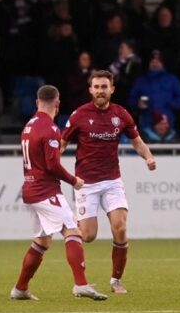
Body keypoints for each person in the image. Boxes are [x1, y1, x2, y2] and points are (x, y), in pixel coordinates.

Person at [61, 70, 156, 294]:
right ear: (90, 90)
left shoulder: (121, 114)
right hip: (86, 183)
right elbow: (62, 143)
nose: (100, 91)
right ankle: (66, 226)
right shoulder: (79, 115)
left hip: (112, 181)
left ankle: (116, 281)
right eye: (96, 87)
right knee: (88, 236)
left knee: (120, 228)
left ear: (112, 89)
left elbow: (137, 142)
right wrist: (51, 164)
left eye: (104, 87)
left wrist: (148, 156)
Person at [11, 85, 107, 301]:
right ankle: (81, 284)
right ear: (57, 103)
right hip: (45, 191)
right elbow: (52, 165)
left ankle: (20, 289)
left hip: (30, 190)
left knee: (42, 242)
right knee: (72, 231)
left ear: (36, 103)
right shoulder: (50, 128)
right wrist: (74, 181)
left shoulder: (29, 125)